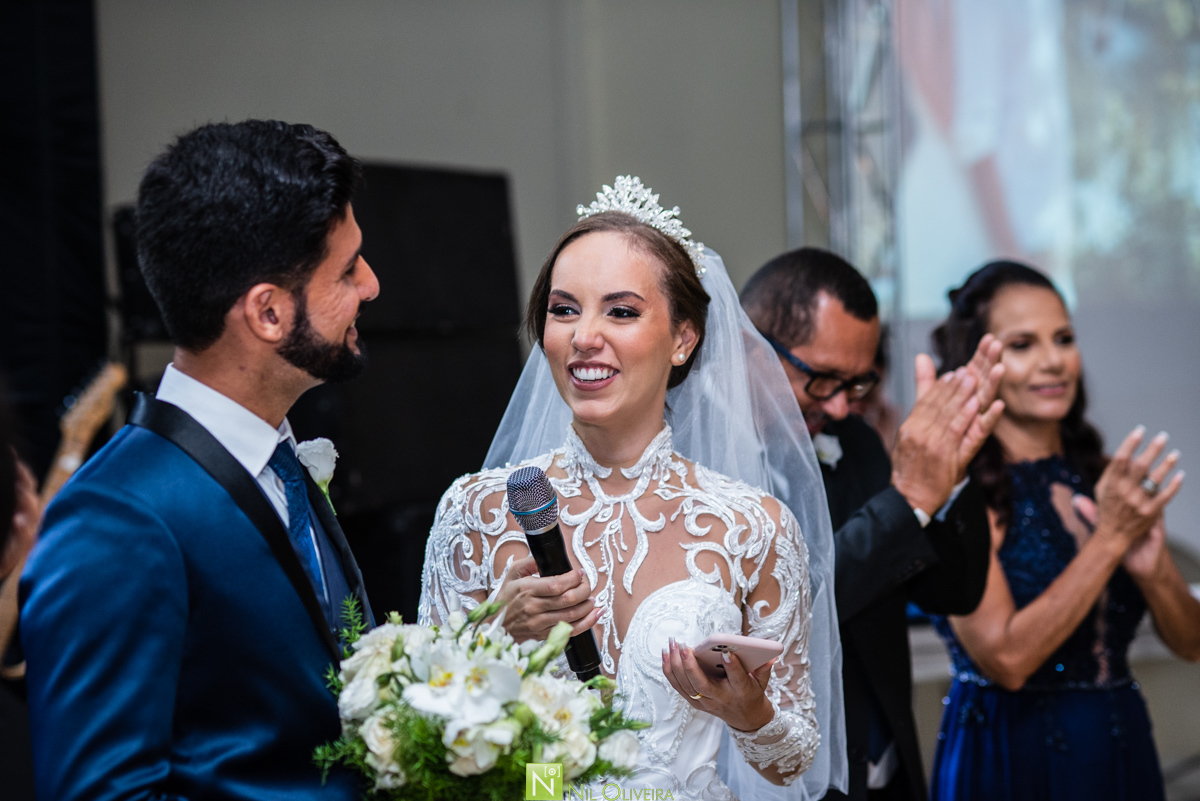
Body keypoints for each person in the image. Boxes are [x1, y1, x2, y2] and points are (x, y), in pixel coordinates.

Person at [420, 176, 846, 800]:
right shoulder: (477, 509)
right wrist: (494, 638)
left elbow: (794, 759)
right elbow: (426, 741)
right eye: (564, 310)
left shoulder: (755, 525)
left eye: (620, 311)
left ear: (682, 338)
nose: (584, 335)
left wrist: (745, 712)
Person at [20, 120, 380, 801]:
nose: (372, 285)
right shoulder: (116, 518)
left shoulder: (281, 458)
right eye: (348, 269)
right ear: (268, 313)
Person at [926, 260, 1200, 801]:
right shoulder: (953, 489)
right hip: (1009, 753)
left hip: (1119, 744)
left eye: (1064, 339)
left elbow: (1190, 643)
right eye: (1023, 344)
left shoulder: (1102, 479)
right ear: (979, 360)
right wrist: (1109, 542)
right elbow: (1005, 661)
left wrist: (1154, 570)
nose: (1054, 362)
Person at [739, 247, 1003, 801]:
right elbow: (790, 616)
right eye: (824, 380)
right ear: (752, 349)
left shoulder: (855, 445)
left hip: (886, 774)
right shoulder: (698, 469)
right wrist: (907, 498)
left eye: (857, 384)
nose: (840, 408)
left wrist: (949, 478)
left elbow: (951, 591)